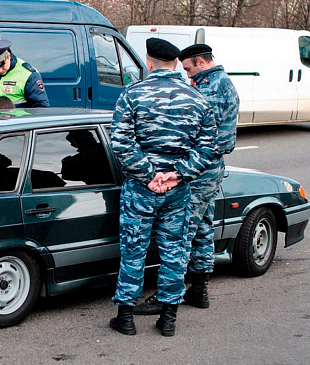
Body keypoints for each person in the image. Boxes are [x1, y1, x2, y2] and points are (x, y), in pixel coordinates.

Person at [109, 38, 218, 337]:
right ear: (175, 64)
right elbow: (209, 148)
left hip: (141, 189)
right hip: (177, 191)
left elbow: (120, 142)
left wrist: (147, 175)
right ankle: (168, 319)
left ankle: (126, 318)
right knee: (175, 251)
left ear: (149, 62)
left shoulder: (133, 94)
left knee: (133, 250)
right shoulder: (198, 99)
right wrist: (177, 175)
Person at [133, 44, 240, 316]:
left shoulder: (209, 89)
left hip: (198, 169)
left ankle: (168, 295)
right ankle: (200, 288)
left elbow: (198, 135)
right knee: (203, 227)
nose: (187, 73)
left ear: (201, 62)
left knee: (180, 234)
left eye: (189, 67)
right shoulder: (222, 83)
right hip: (212, 168)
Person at [0, 40, 49, 108]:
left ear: (8, 56)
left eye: (2, 65)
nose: (0, 70)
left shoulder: (28, 74)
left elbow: (40, 108)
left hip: (14, 123)